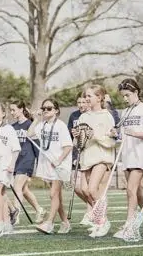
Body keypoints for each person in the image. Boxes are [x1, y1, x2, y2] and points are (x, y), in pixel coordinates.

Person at [112, 78, 143, 239]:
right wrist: (116, 134)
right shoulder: (125, 111)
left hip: (140, 155)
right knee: (138, 193)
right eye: (123, 96)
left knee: (131, 190)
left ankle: (129, 225)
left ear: (136, 92)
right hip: (128, 155)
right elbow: (123, 134)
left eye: (128, 95)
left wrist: (131, 132)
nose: (125, 99)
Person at [76, 85, 117, 237]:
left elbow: (111, 141)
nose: (87, 99)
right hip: (87, 158)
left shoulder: (107, 116)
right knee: (85, 191)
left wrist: (95, 135)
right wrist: (77, 136)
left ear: (99, 97)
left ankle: (103, 221)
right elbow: (79, 144)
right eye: (86, 96)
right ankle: (99, 221)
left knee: (93, 189)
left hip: (102, 158)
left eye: (90, 96)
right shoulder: (83, 117)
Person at [28, 98, 72, 234]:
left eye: (49, 108)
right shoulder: (42, 125)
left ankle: (49, 223)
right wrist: (36, 119)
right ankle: (65, 222)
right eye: (44, 108)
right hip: (47, 164)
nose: (46, 111)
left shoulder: (61, 125)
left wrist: (59, 161)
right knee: (56, 196)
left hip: (59, 165)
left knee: (53, 194)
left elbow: (68, 146)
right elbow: (29, 134)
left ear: (56, 110)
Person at [9, 101, 45, 224]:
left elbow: (37, 145)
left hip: (27, 159)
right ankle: (39, 209)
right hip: (16, 160)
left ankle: (16, 215)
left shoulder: (31, 124)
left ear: (21, 109)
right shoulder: (12, 127)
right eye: (11, 110)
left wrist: (40, 162)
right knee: (23, 190)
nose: (12, 112)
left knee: (17, 186)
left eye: (14, 110)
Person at [0, 102, 20, 232]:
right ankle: (8, 219)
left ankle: (2, 223)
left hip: (5, 167)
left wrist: (12, 164)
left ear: (3, 114)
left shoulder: (9, 129)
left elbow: (16, 148)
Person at [67, 93, 92, 223]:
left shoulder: (92, 115)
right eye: (79, 103)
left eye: (84, 102)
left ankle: (89, 211)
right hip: (76, 154)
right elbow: (70, 137)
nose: (81, 105)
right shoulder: (74, 116)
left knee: (87, 186)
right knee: (76, 187)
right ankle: (94, 206)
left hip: (90, 154)